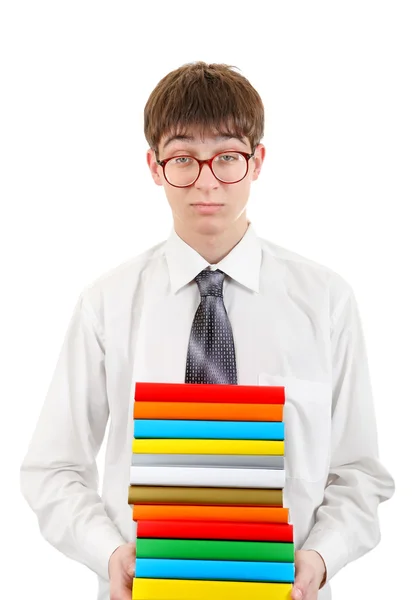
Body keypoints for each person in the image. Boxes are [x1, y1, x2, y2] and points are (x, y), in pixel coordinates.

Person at [20, 61, 395, 600]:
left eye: (226, 157)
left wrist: (319, 557)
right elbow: (52, 467)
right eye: (182, 159)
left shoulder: (326, 301)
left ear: (257, 161)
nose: (206, 182)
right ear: (153, 166)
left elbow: (358, 470)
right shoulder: (107, 302)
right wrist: (108, 551)